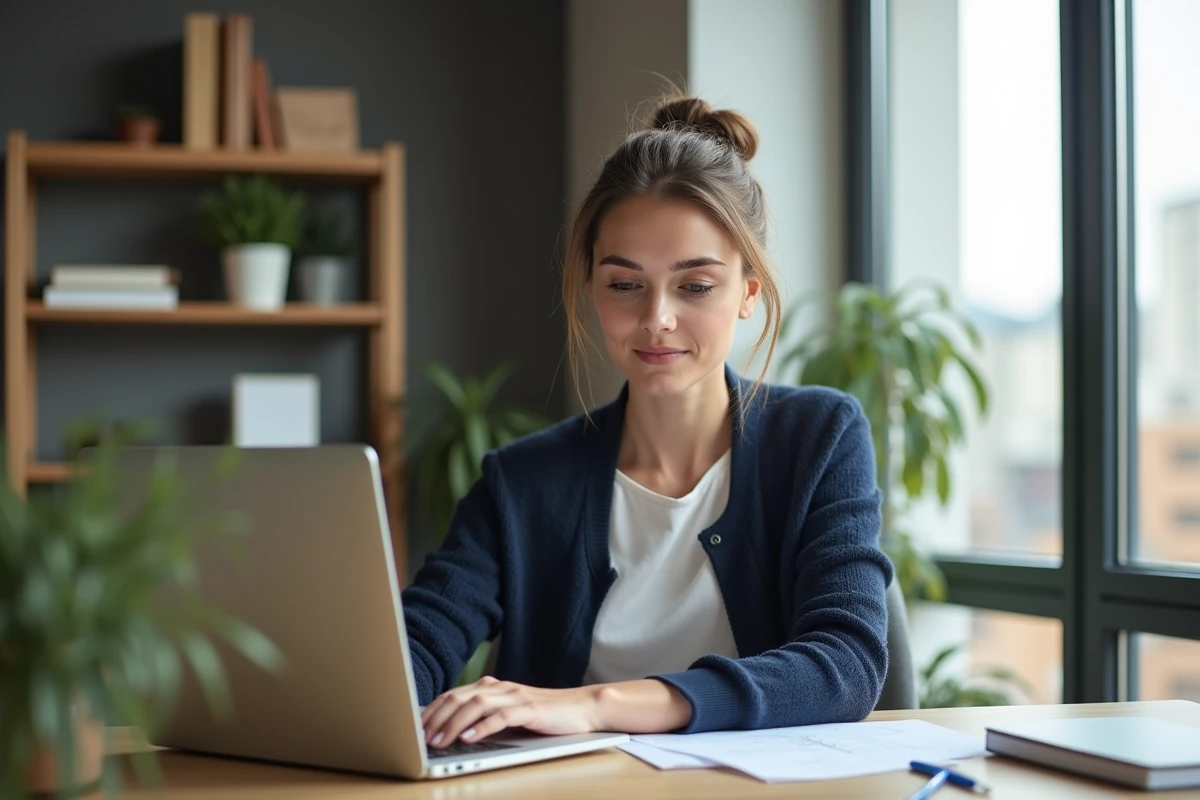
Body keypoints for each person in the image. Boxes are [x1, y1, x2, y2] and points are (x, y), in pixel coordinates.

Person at [405, 96, 894, 749]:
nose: (656, 318)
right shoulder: (520, 482)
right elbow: (416, 645)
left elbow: (845, 666)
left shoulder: (819, 437)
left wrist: (597, 705)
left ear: (748, 293)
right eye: (624, 284)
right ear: (592, 288)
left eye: (694, 285)